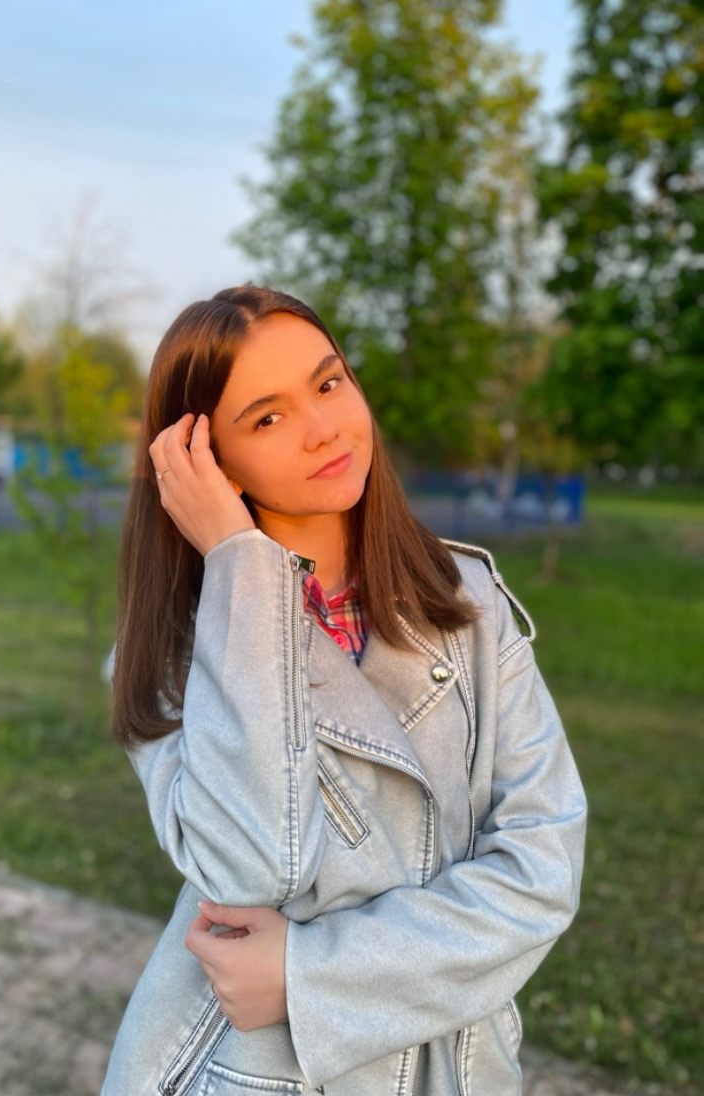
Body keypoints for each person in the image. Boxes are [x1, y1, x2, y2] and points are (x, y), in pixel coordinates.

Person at [102, 286, 587, 1096]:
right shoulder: (171, 654)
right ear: (209, 461)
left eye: (328, 383)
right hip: (257, 1071)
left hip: (458, 1068)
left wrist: (306, 975)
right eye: (267, 418)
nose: (323, 427)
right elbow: (254, 866)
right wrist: (240, 564)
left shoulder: (470, 603)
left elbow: (543, 867)